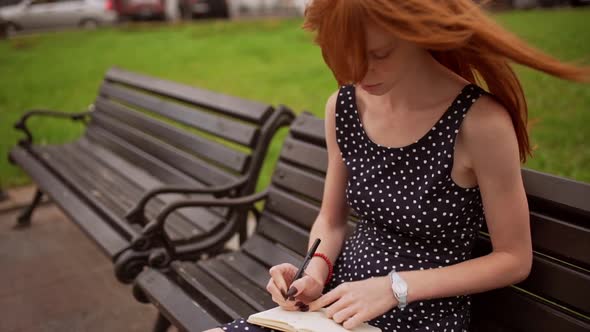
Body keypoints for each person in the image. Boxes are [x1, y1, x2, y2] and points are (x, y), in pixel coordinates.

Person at [207, 1, 589, 331]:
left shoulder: (478, 123)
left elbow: (513, 259)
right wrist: (314, 272)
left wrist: (394, 288)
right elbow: (332, 221)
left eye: (379, 54)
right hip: (333, 309)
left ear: (418, 31)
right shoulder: (343, 107)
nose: (358, 73)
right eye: (345, 56)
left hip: (420, 317)